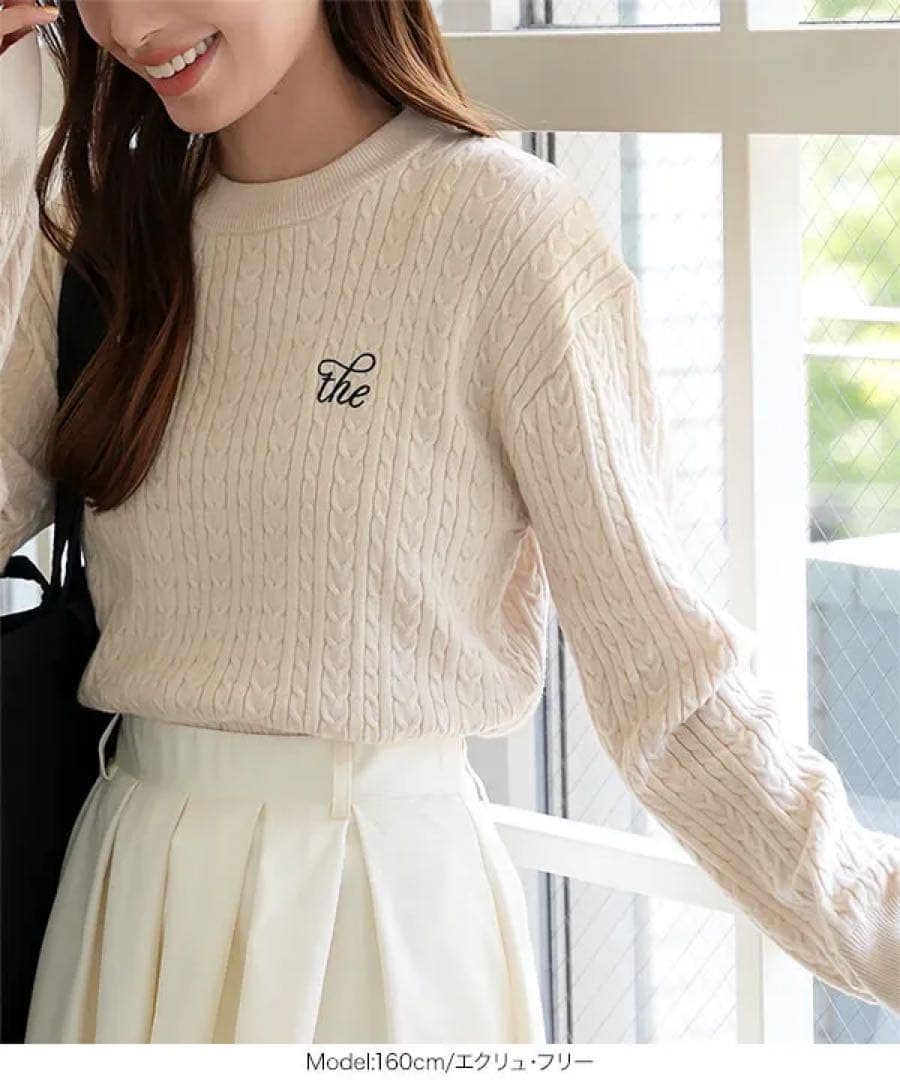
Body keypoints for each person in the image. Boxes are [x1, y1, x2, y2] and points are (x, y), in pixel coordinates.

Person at [0, 0, 897, 1046]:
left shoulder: (501, 231)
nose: (125, 22)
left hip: (381, 923)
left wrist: (873, 919)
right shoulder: (97, 232)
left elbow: (671, 690)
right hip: (130, 919)